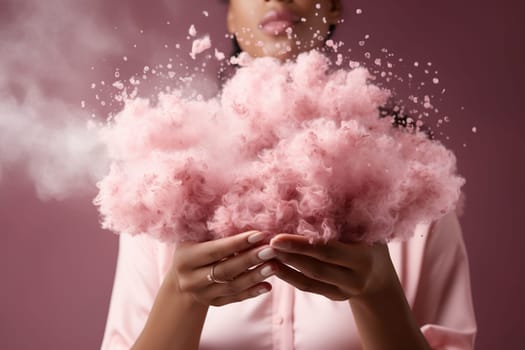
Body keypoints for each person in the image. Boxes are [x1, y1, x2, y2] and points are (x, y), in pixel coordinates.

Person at [100, 1, 477, 349]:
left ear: (332, 8)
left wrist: (378, 293)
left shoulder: (410, 180)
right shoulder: (168, 179)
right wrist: (182, 298)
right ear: (230, 14)